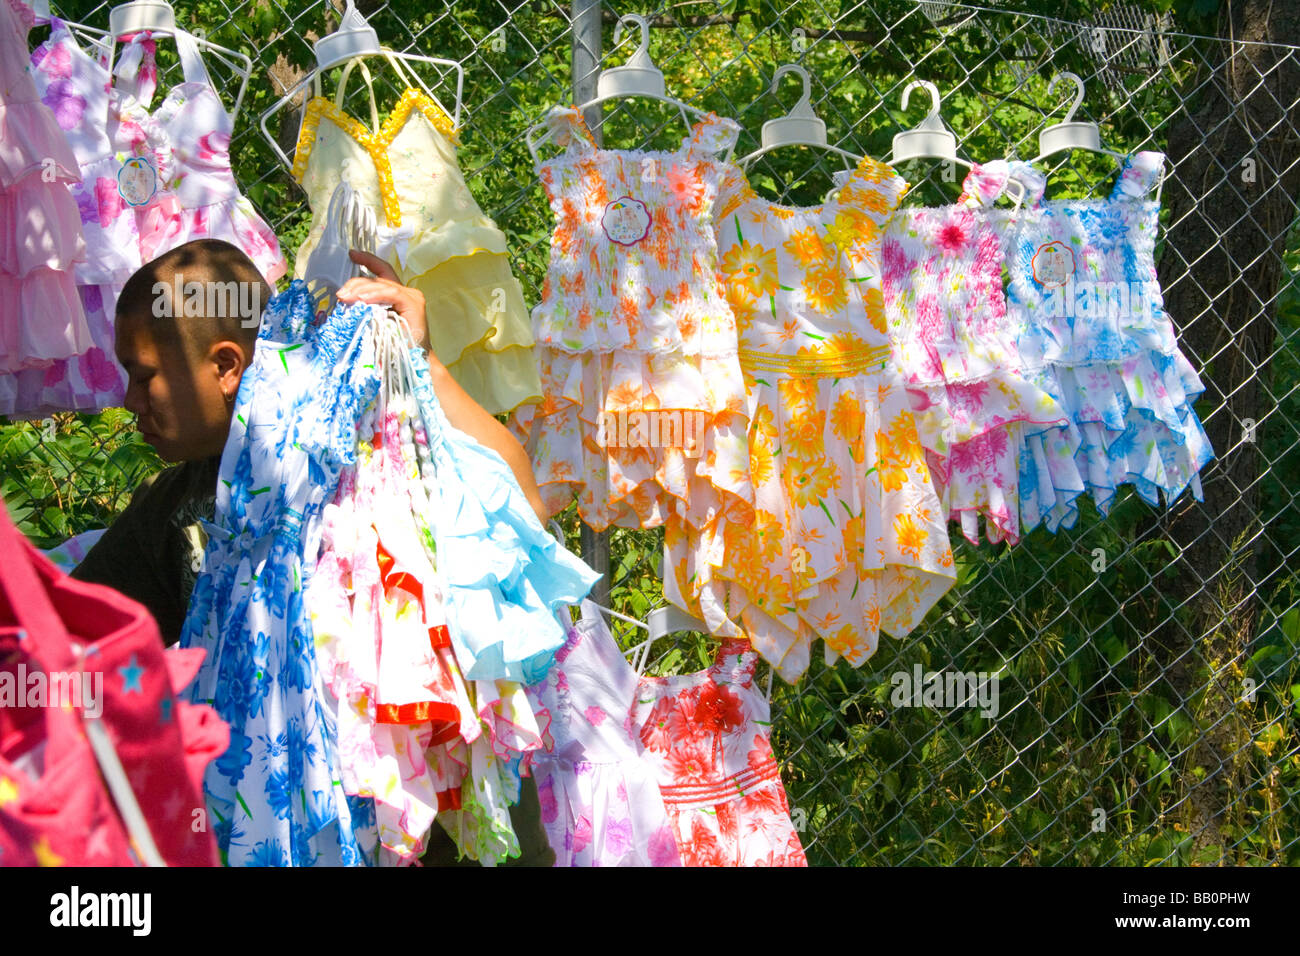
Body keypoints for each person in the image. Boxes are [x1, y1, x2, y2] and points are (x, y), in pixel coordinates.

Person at [72, 237, 555, 866]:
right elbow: (73, 624)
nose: (129, 402)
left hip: (454, 841)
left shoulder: (374, 446)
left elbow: (527, 508)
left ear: (225, 366)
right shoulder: (179, 507)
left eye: (144, 377)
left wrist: (421, 360)